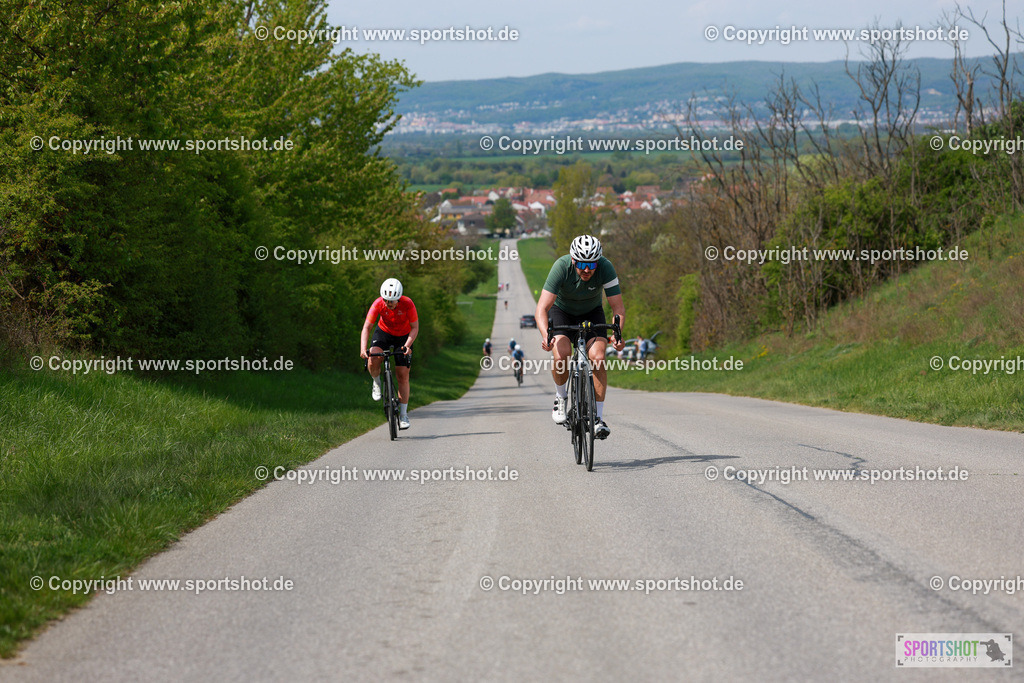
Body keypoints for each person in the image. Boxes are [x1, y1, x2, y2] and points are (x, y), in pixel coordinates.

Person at [536, 234, 625, 439]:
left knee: (599, 358)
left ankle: (598, 419)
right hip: (562, 312)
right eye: (582, 264)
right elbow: (542, 308)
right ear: (574, 259)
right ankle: (560, 397)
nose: (587, 270)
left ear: (598, 262)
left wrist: (618, 334)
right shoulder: (562, 267)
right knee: (562, 353)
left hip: (592, 313)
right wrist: (546, 336)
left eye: (591, 264)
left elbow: (617, 307)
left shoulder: (606, 267)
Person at [360, 278, 418, 430]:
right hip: (384, 333)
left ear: (398, 299)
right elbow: (367, 327)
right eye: (386, 300)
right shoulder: (378, 303)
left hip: (404, 336)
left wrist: (406, 346)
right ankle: (377, 382)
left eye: (391, 301)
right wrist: (363, 348)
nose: (388, 303)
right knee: (373, 357)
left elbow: (415, 328)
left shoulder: (408, 304)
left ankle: (404, 415)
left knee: (402, 375)